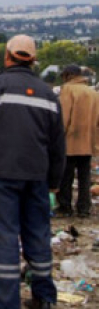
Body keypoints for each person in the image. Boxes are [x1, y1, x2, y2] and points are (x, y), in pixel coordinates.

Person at [0, 34, 65, 309]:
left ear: (7, 56)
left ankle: (6, 302)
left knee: (4, 236)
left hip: (2, 174)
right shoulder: (48, 94)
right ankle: (44, 298)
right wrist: (54, 181)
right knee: (38, 234)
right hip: (37, 175)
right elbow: (57, 144)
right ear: (34, 60)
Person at [56, 64, 99, 218]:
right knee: (84, 176)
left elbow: (63, 117)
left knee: (66, 176)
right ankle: (84, 208)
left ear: (68, 75)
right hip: (88, 142)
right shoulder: (93, 92)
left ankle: (65, 206)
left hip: (70, 141)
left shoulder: (67, 90)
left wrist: (57, 138)